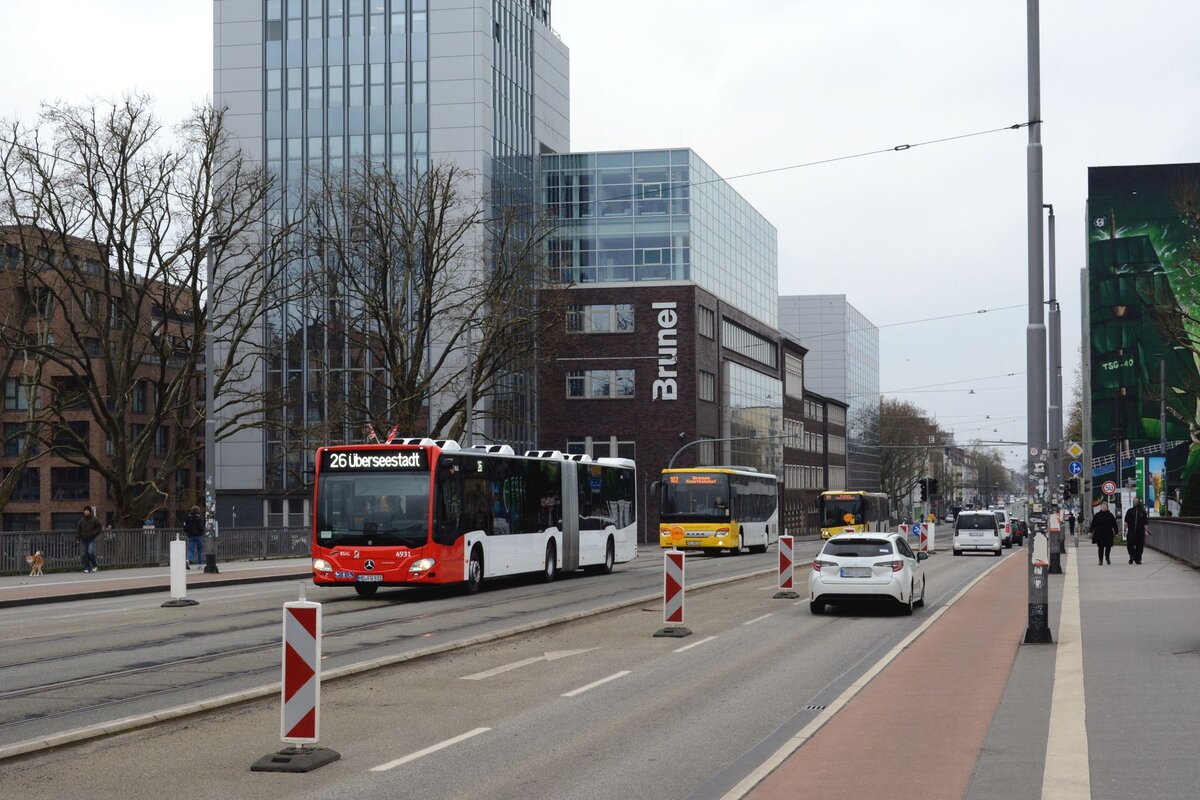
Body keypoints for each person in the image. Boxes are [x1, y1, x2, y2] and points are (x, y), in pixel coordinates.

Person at [1088, 501, 1118, 565]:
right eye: (1102, 506)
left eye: (1105, 506)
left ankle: (1107, 557)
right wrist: (1090, 531)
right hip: (1099, 534)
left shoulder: (1110, 515)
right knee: (1100, 548)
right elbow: (1093, 524)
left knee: (1108, 547)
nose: (1104, 507)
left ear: (1107, 507)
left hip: (1108, 533)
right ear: (1101, 507)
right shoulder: (1097, 515)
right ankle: (1100, 560)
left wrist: (1116, 532)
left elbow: (1114, 524)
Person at [75, 505, 102, 573]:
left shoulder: (94, 519)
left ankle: (94, 565)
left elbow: (99, 528)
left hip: (91, 539)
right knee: (84, 553)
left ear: (90, 512)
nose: (86, 512)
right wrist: (77, 539)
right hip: (84, 539)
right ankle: (86, 568)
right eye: (85, 510)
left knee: (90, 552)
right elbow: (78, 530)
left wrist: (93, 534)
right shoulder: (81, 520)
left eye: (87, 510)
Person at [1123, 496, 1150, 564]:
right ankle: (1132, 557)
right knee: (1130, 544)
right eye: (1134, 501)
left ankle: (1138, 559)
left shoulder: (1142, 511)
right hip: (1131, 531)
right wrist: (1124, 530)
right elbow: (1126, 521)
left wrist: (1146, 531)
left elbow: (1145, 522)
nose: (1136, 502)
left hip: (1140, 531)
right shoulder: (1129, 511)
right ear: (1133, 502)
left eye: (1137, 501)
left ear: (1139, 502)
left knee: (1140, 546)